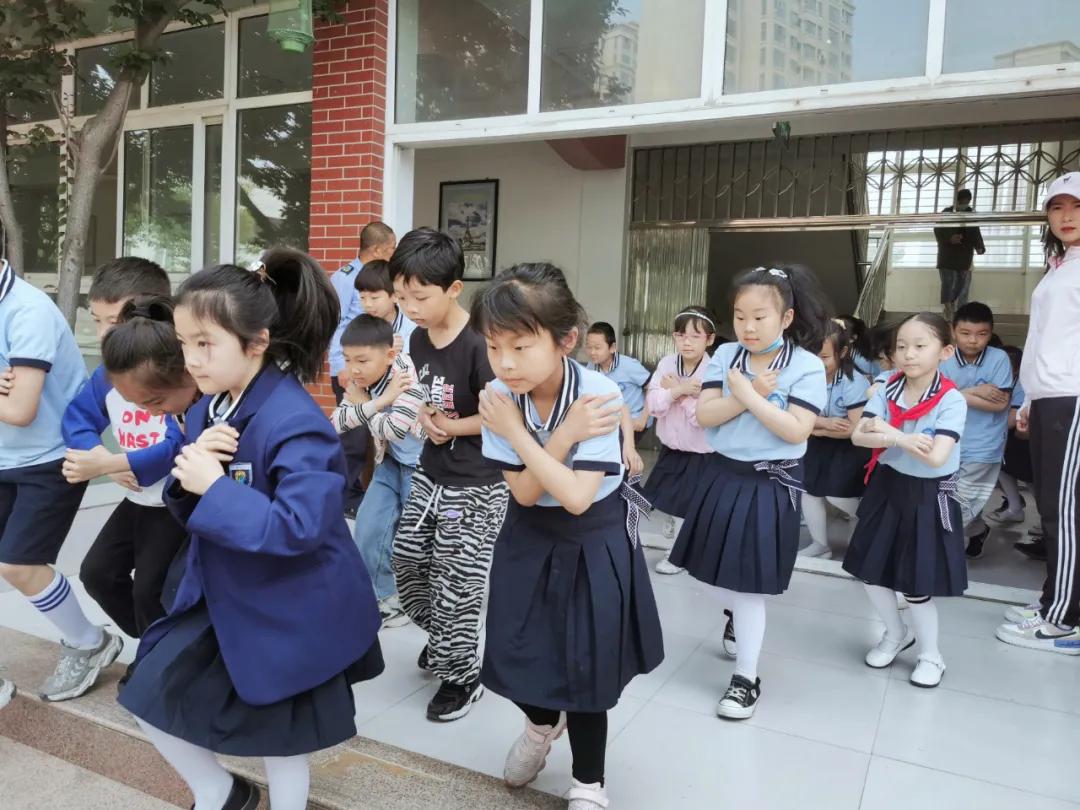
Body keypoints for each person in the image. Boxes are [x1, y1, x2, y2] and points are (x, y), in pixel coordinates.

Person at [116, 249, 384, 810]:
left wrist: (214, 489)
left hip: (289, 609)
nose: (191, 360)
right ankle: (219, 791)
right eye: (187, 343)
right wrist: (193, 480)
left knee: (281, 741)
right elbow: (190, 489)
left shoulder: (297, 422)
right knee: (146, 693)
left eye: (205, 343)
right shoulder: (209, 407)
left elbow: (300, 527)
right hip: (223, 593)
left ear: (257, 341)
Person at [473, 263, 663, 810]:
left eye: (522, 346)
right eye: (493, 345)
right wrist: (554, 436)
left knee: (586, 664)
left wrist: (522, 435)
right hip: (529, 533)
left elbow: (577, 497)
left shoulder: (599, 394)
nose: (505, 363)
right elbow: (528, 494)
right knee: (517, 650)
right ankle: (539, 727)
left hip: (591, 537)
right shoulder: (497, 396)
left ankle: (589, 783)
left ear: (566, 341)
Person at [668, 265, 829, 719]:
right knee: (708, 574)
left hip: (770, 480)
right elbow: (706, 415)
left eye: (759, 316)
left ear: (787, 317)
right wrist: (746, 392)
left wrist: (749, 395)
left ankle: (745, 678)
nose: (749, 327)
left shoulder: (805, 365)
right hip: (721, 473)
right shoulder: (726, 357)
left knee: (749, 587)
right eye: (740, 317)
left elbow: (797, 429)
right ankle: (735, 617)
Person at [389, 228, 510, 722]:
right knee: (408, 562)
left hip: (480, 480)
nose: (409, 306)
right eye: (402, 297)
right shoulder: (417, 338)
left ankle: (461, 675)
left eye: (419, 296)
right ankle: (445, 638)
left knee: (457, 582)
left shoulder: (481, 342)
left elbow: (504, 413)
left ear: (453, 289)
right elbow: (419, 394)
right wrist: (423, 420)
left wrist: (454, 426)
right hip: (431, 470)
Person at [0, 258, 122, 702]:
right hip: (4, 455)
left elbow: (19, 410)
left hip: (51, 456)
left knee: (19, 564)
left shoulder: (26, 311)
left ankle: (90, 643)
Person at [60, 259, 187, 644]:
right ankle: (159, 648)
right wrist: (103, 458)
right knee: (97, 574)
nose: (103, 334)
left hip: (174, 505)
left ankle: (157, 662)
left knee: (149, 590)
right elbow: (76, 418)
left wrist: (114, 461)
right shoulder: (106, 374)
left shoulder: (174, 371)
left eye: (114, 320)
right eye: (97, 321)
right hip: (137, 498)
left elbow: (177, 444)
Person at [844, 312, 968, 688]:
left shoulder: (951, 400)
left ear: (945, 351)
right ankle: (895, 634)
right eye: (901, 346)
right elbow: (858, 437)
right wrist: (900, 439)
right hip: (887, 485)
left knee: (916, 585)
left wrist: (885, 430)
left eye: (919, 346)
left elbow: (935, 457)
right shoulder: (887, 389)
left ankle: (931, 655)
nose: (908, 354)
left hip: (926, 495)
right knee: (870, 572)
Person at [997, 172, 1080, 655]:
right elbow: (1046, 342)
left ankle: (1063, 618)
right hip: (1051, 398)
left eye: (1076, 206)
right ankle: (1055, 597)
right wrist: (1028, 399)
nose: (1066, 216)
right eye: (1057, 207)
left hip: (1073, 397)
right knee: (1052, 504)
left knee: (1063, 511)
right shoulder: (1060, 266)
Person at [332, 314, 425, 629]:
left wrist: (365, 405)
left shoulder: (407, 377)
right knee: (369, 527)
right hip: (392, 463)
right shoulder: (368, 385)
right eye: (347, 359)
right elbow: (339, 422)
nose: (353, 369)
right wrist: (379, 401)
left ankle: (424, 604)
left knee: (416, 543)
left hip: (423, 469)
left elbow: (396, 428)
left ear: (387, 355)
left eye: (361, 360)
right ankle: (387, 600)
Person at [329, 221, 397, 516]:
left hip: (377, 367)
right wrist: (341, 365)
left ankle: (368, 492)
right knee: (353, 437)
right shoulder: (345, 278)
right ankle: (346, 497)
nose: (393, 253)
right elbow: (336, 324)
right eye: (392, 248)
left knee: (374, 436)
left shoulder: (385, 279)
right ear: (378, 249)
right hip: (350, 368)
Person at [643, 306, 716, 575]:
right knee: (667, 500)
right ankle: (678, 535)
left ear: (709, 339)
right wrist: (678, 391)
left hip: (701, 453)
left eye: (695, 336)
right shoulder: (666, 363)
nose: (686, 342)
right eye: (680, 335)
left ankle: (677, 556)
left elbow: (703, 418)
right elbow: (653, 404)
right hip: (671, 449)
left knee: (688, 507)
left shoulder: (713, 370)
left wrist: (678, 393)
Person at [938, 302, 1014, 560]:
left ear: (990, 333)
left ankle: (943, 559)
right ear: (953, 330)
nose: (973, 340)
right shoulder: (942, 358)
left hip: (984, 445)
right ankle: (979, 529)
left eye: (981, 334)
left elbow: (1001, 403)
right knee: (952, 500)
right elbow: (930, 398)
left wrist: (954, 394)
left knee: (957, 506)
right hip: (945, 442)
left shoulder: (999, 358)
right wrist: (975, 392)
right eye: (965, 333)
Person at [799, 318, 870, 559]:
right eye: (812, 356)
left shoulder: (853, 381)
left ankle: (864, 520)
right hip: (818, 444)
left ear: (843, 352)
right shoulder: (804, 378)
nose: (818, 364)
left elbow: (854, 427)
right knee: (809, 492)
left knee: (838, 494)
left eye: (825, 357)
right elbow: (794, 416)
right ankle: (821, 544)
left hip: (849, 448)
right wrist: (825, 424)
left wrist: (814, 427)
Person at [584, 321, 651, 436]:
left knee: (619, 451)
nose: (592, 352)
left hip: (634, 420)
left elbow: (653, 388)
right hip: (609, 422)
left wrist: (643, 418)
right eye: (589, 347)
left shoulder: (629, 365)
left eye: (597, 348)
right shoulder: (591, 367)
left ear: (612, 347)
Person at [988, 346, 1031, 525]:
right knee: (1002, 467)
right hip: (1009, 438)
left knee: (1033, 480)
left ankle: (1048, 521)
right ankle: (1014, 507)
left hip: (1024, 438)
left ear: (1015, 368)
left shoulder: (1021, 384)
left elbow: (1014, 419)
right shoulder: (999, 382)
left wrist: (984, 429)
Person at [934, 189, 986, 320]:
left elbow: (975, 232)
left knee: (963, 287)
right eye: (962, 202)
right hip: (947, 257)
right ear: (956, 201)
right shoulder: (947, 213)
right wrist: (950, 238)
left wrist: (980, 247)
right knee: (948, 285)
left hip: (964, 257)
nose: (964, 204)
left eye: (966, 202)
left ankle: (960, 314)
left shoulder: (971, 214)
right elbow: (938, 230)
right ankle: (948, 310)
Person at [354, 258, 417, 352]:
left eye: (374, 298)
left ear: (395, 296)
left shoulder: (411, 327)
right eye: (362, 297)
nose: (367, 304)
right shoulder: (359, 326)